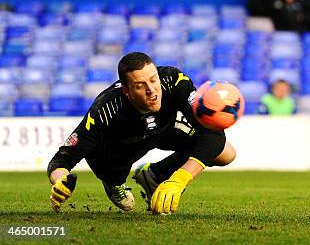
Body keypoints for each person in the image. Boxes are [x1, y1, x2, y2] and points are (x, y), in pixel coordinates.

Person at [47, 52, 236, 214]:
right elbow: (62, 160)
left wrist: (179, 179)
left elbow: (212, 131)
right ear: (127, 91)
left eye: (154, 79)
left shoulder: (173, 81)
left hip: (162, 130)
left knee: (225, 153)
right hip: (118, 152)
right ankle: (113, 183)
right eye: (140, 85)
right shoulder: (105, 110)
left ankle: (154, 175)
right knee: (122, 194)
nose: (152, 90)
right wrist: (59, 181)